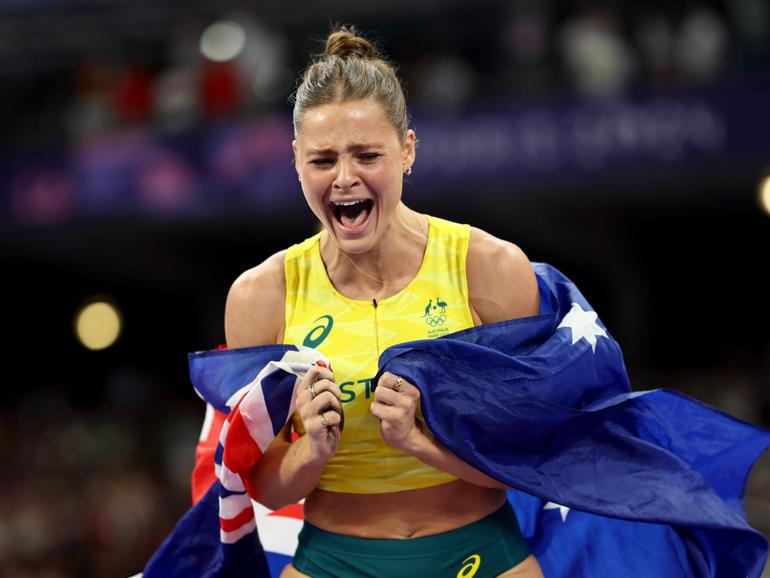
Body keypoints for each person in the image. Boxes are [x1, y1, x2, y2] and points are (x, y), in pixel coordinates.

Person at [213, 25, 544, 578]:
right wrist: (310, 451)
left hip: (482, 554)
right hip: (332, 561)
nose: (345, 178)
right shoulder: (259, 297)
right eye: (323, 160)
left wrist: (420, 442)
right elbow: (264, 489)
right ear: (295, 160)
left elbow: (531, 462)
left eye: (367, 155)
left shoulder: (490, 269)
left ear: (408, 149)